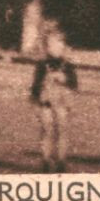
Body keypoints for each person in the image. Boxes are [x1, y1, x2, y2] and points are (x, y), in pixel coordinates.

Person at [29, 29, 79, 173]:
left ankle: (61, 160)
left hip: (62, 102)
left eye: (58, 44)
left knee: (62, 130)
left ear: (63, 47)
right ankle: (46, 159)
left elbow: (74, 84)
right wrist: (36, 97)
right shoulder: (42, 64)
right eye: (51, 45)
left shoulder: (67, 65)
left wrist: (65, 79)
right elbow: (35, 84)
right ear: (46, 47)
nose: (55, 48)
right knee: (46, 130)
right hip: (46, 102)